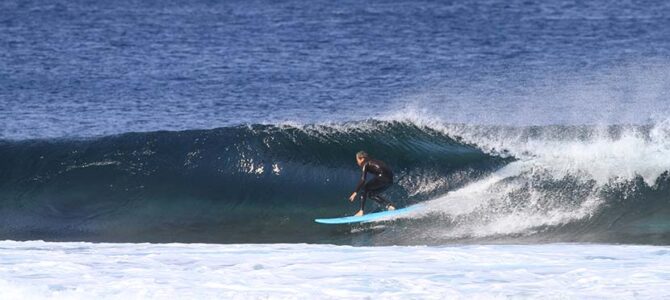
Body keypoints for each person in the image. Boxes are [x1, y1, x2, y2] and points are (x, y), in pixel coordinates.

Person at [348, 151, 396, 216]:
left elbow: (363, 179)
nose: (357, 162)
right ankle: (389, 206)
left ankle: (361, 211)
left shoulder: (365, 163)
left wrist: (355, 192)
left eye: (357, 160)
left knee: (364, 189)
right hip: (390, 180)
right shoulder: (374, 161)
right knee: (371, 194)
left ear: (362, 158)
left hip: (382, 177)